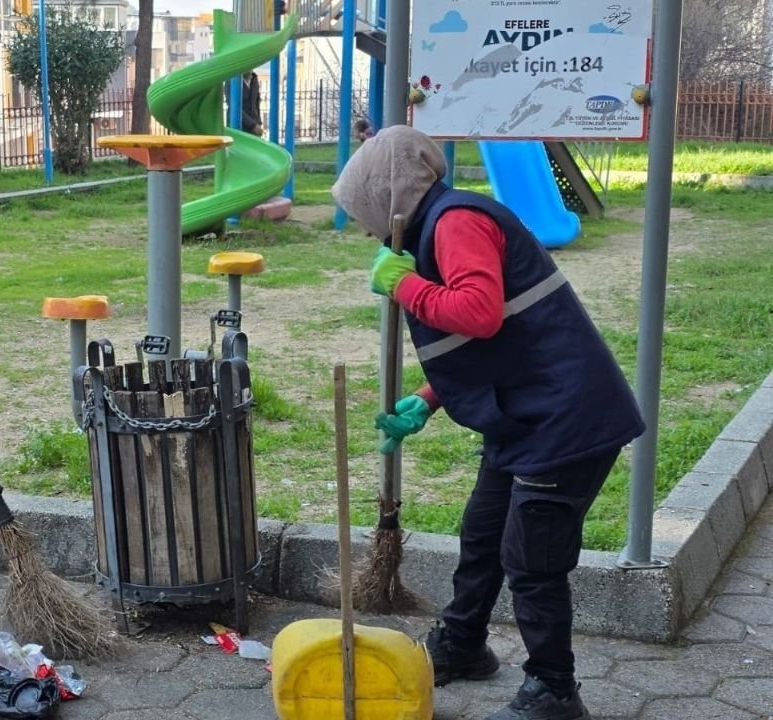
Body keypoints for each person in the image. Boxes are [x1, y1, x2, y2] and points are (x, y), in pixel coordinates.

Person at [332, 126, 644, 720]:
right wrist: (427, 398)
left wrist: (407, 286)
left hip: (564, 420)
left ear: (385, 195)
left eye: (364, 213)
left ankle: (554, 689)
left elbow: (476, 313)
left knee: (532, 558)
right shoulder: (438, 225)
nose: (367, 231)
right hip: (523, 414)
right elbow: (496, 337)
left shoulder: (456, 223)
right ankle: (464, 645)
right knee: (482, 536)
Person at [241, 71, 263, 136]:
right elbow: (234, 108)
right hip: (239, 125)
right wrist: (253, 125)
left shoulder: (254, 78)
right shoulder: (232, 80)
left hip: (254, 125)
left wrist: (258, 122)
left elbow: (256, 103)